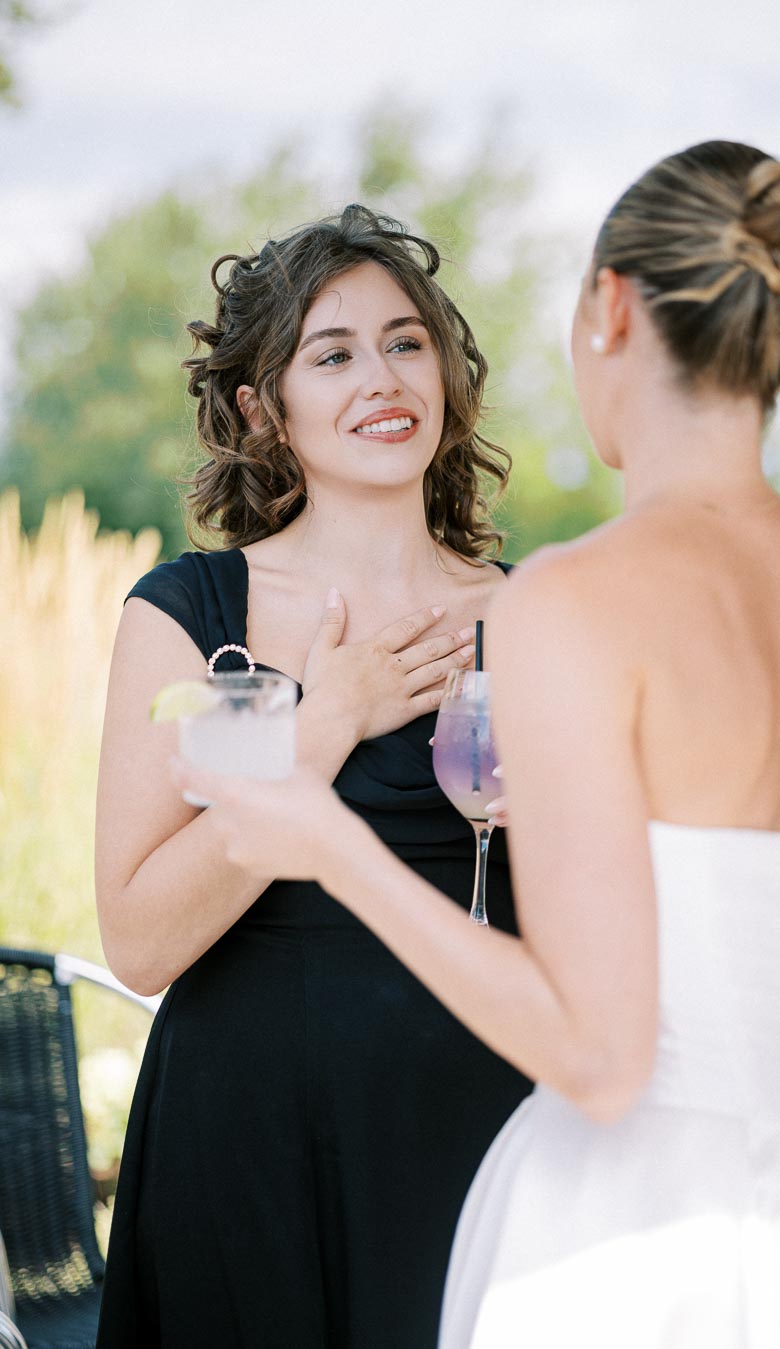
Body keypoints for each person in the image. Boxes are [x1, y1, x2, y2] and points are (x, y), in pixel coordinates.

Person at [177, 141, 780, 1348]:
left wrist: (332, 843)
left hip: (631, 1239)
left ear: (607, 308)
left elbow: (603, 1063)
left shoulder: (567, 602)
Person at [94, 205, 531, 1349]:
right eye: (331, 354)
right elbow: (140, 940)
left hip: (491, 1131)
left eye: (405, 340)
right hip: (249, 1146)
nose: (381, 378)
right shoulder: (190, 614)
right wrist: (324, 723)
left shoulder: (543, 616)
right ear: (261, 408)